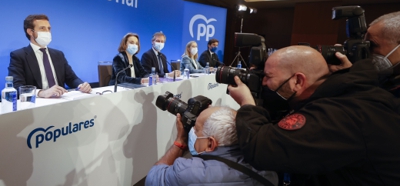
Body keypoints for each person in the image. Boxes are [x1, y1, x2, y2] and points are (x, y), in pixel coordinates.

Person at [228, 45, 400, 185]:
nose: (263, 82)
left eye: (267, 77)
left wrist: (247, 103)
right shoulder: (346, 91)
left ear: (298, 81)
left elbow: (262, 149)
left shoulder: (338, 113)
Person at [145, 106, 278, 186]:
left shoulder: (186, 171)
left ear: (210, 143)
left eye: (196, 129)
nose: (193, 132)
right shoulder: (266, 164)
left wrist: (181, 140)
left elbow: (152, 178)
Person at [8, 14, 91, 98]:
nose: (47, 32)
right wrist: (41, 93)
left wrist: (81, 85)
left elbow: (72, 78)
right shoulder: (19, 56)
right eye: (42, 28)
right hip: (36, 104)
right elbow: (17, 86)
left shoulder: (58, 54)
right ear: (30, 32)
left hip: (61, 101)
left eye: (49, 28)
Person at [329, 11, 400, 96]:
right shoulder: (388, 78)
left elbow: (375, 107)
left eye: (372, 45)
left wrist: (352, 79)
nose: (367, 52)